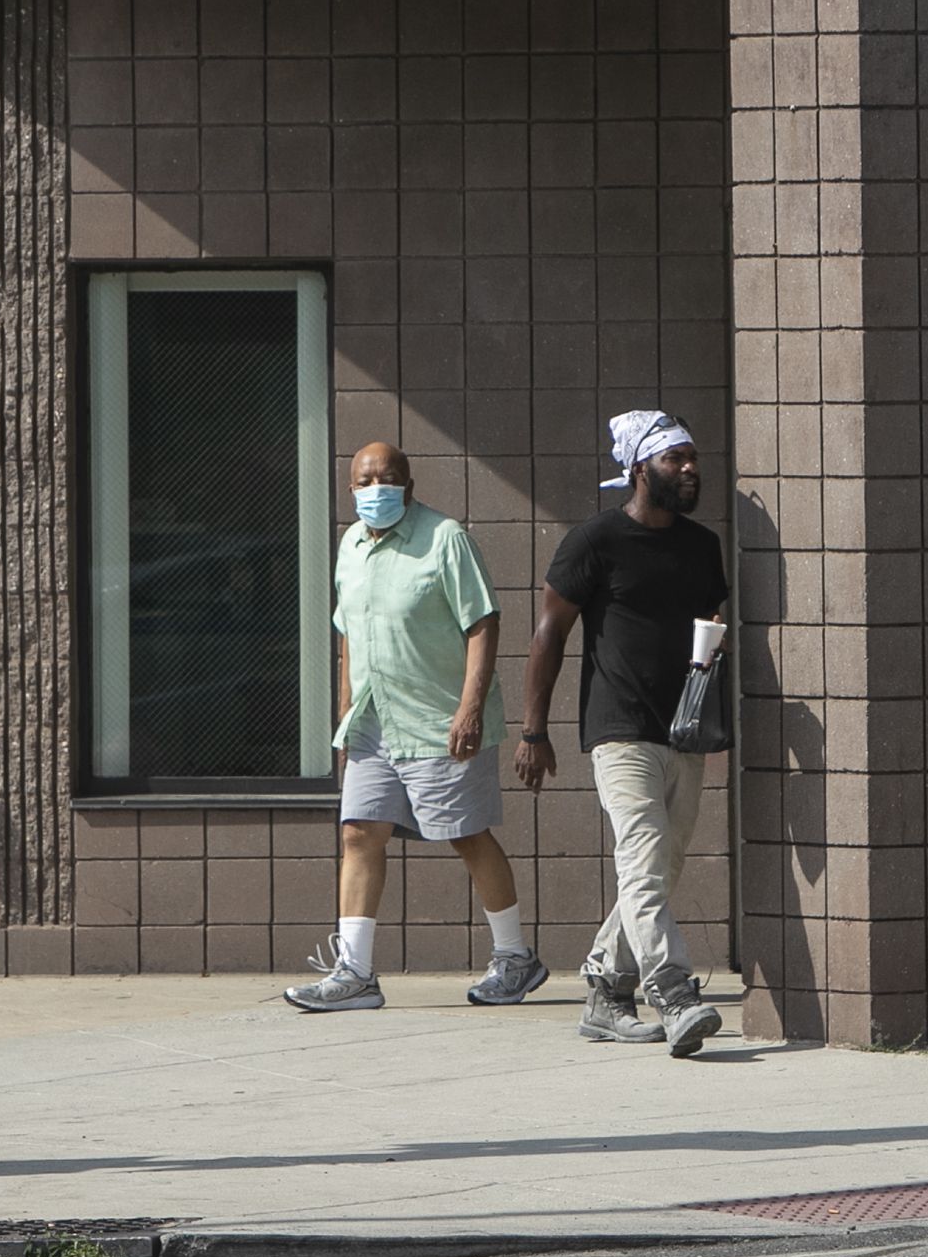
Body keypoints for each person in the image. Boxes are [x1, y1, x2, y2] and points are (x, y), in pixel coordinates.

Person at [284, 440, 546, 1014]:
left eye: (388, 477)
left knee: (465, 833)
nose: (375, 488)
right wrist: (346, 715)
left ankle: (515, 958)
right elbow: (349, 634)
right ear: (350, 489)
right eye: (364, 480)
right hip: (375, 721)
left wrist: (470, 707)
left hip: (439, 719)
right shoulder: (351, 544)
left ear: (409, 485)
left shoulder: (445, 538)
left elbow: (483, 622)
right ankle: (354, 972)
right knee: (358, 831)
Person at [515, 410, 729, 1057]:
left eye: (693, 458)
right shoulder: (595, 541)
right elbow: (550, 635)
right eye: (675, 459)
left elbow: (710, 626)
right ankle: (673, 990)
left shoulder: (701, 545)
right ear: (640, 468)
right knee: (642, 857)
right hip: (618, 729)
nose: (690, 469)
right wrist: (533, 730)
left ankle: (607, 991)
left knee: (661, 865)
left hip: (684, 729)